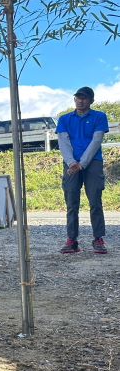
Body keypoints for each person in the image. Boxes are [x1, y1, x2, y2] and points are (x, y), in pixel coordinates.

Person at [57, 86, 109, 254]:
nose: (80, 100)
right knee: (71, 201)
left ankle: (98, 238)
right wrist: (72, 162)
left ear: (91, 101)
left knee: (95, 200)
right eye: (78, 97)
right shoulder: (64, 119)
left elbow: (96, 141)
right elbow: (63, 143)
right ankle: (72, 240)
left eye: (84, 98)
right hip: (71, 163)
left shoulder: (99, 117)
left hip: (92, 162)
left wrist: (82, 164)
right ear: (74, 99)